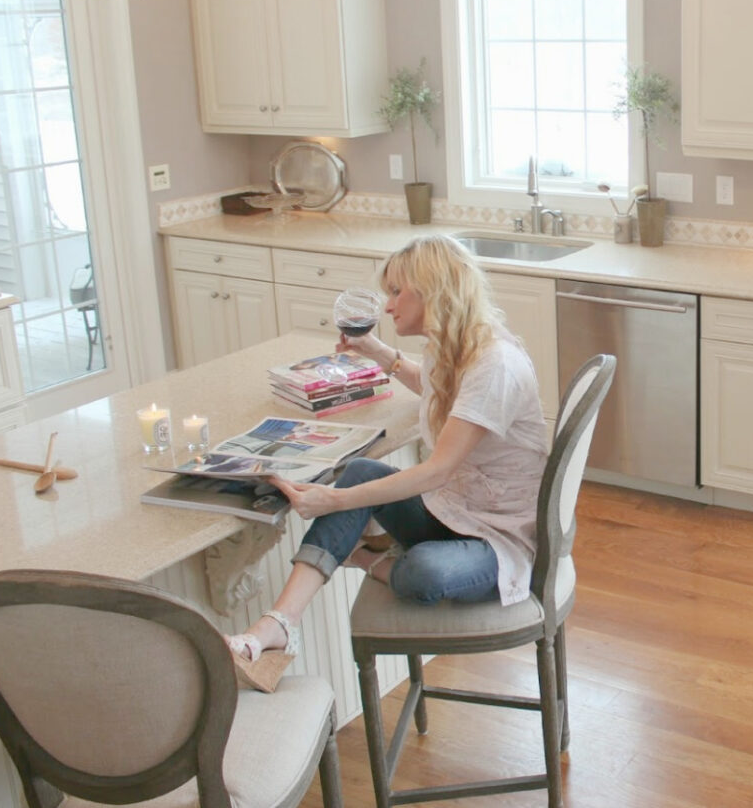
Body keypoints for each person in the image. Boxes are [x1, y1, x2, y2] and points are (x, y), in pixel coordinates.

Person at [225, 234, 548, 692]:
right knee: (359, 471)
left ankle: (367, 557)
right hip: (451, 511)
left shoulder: (495, 363)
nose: (388, 305)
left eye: (398, 291)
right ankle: (276, 625)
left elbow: (436, 469)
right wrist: (378, 352)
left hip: (500, 537)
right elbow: (438, 389)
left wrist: (335, 501)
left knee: (424, 573)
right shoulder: (452, 342)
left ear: (434, 291)